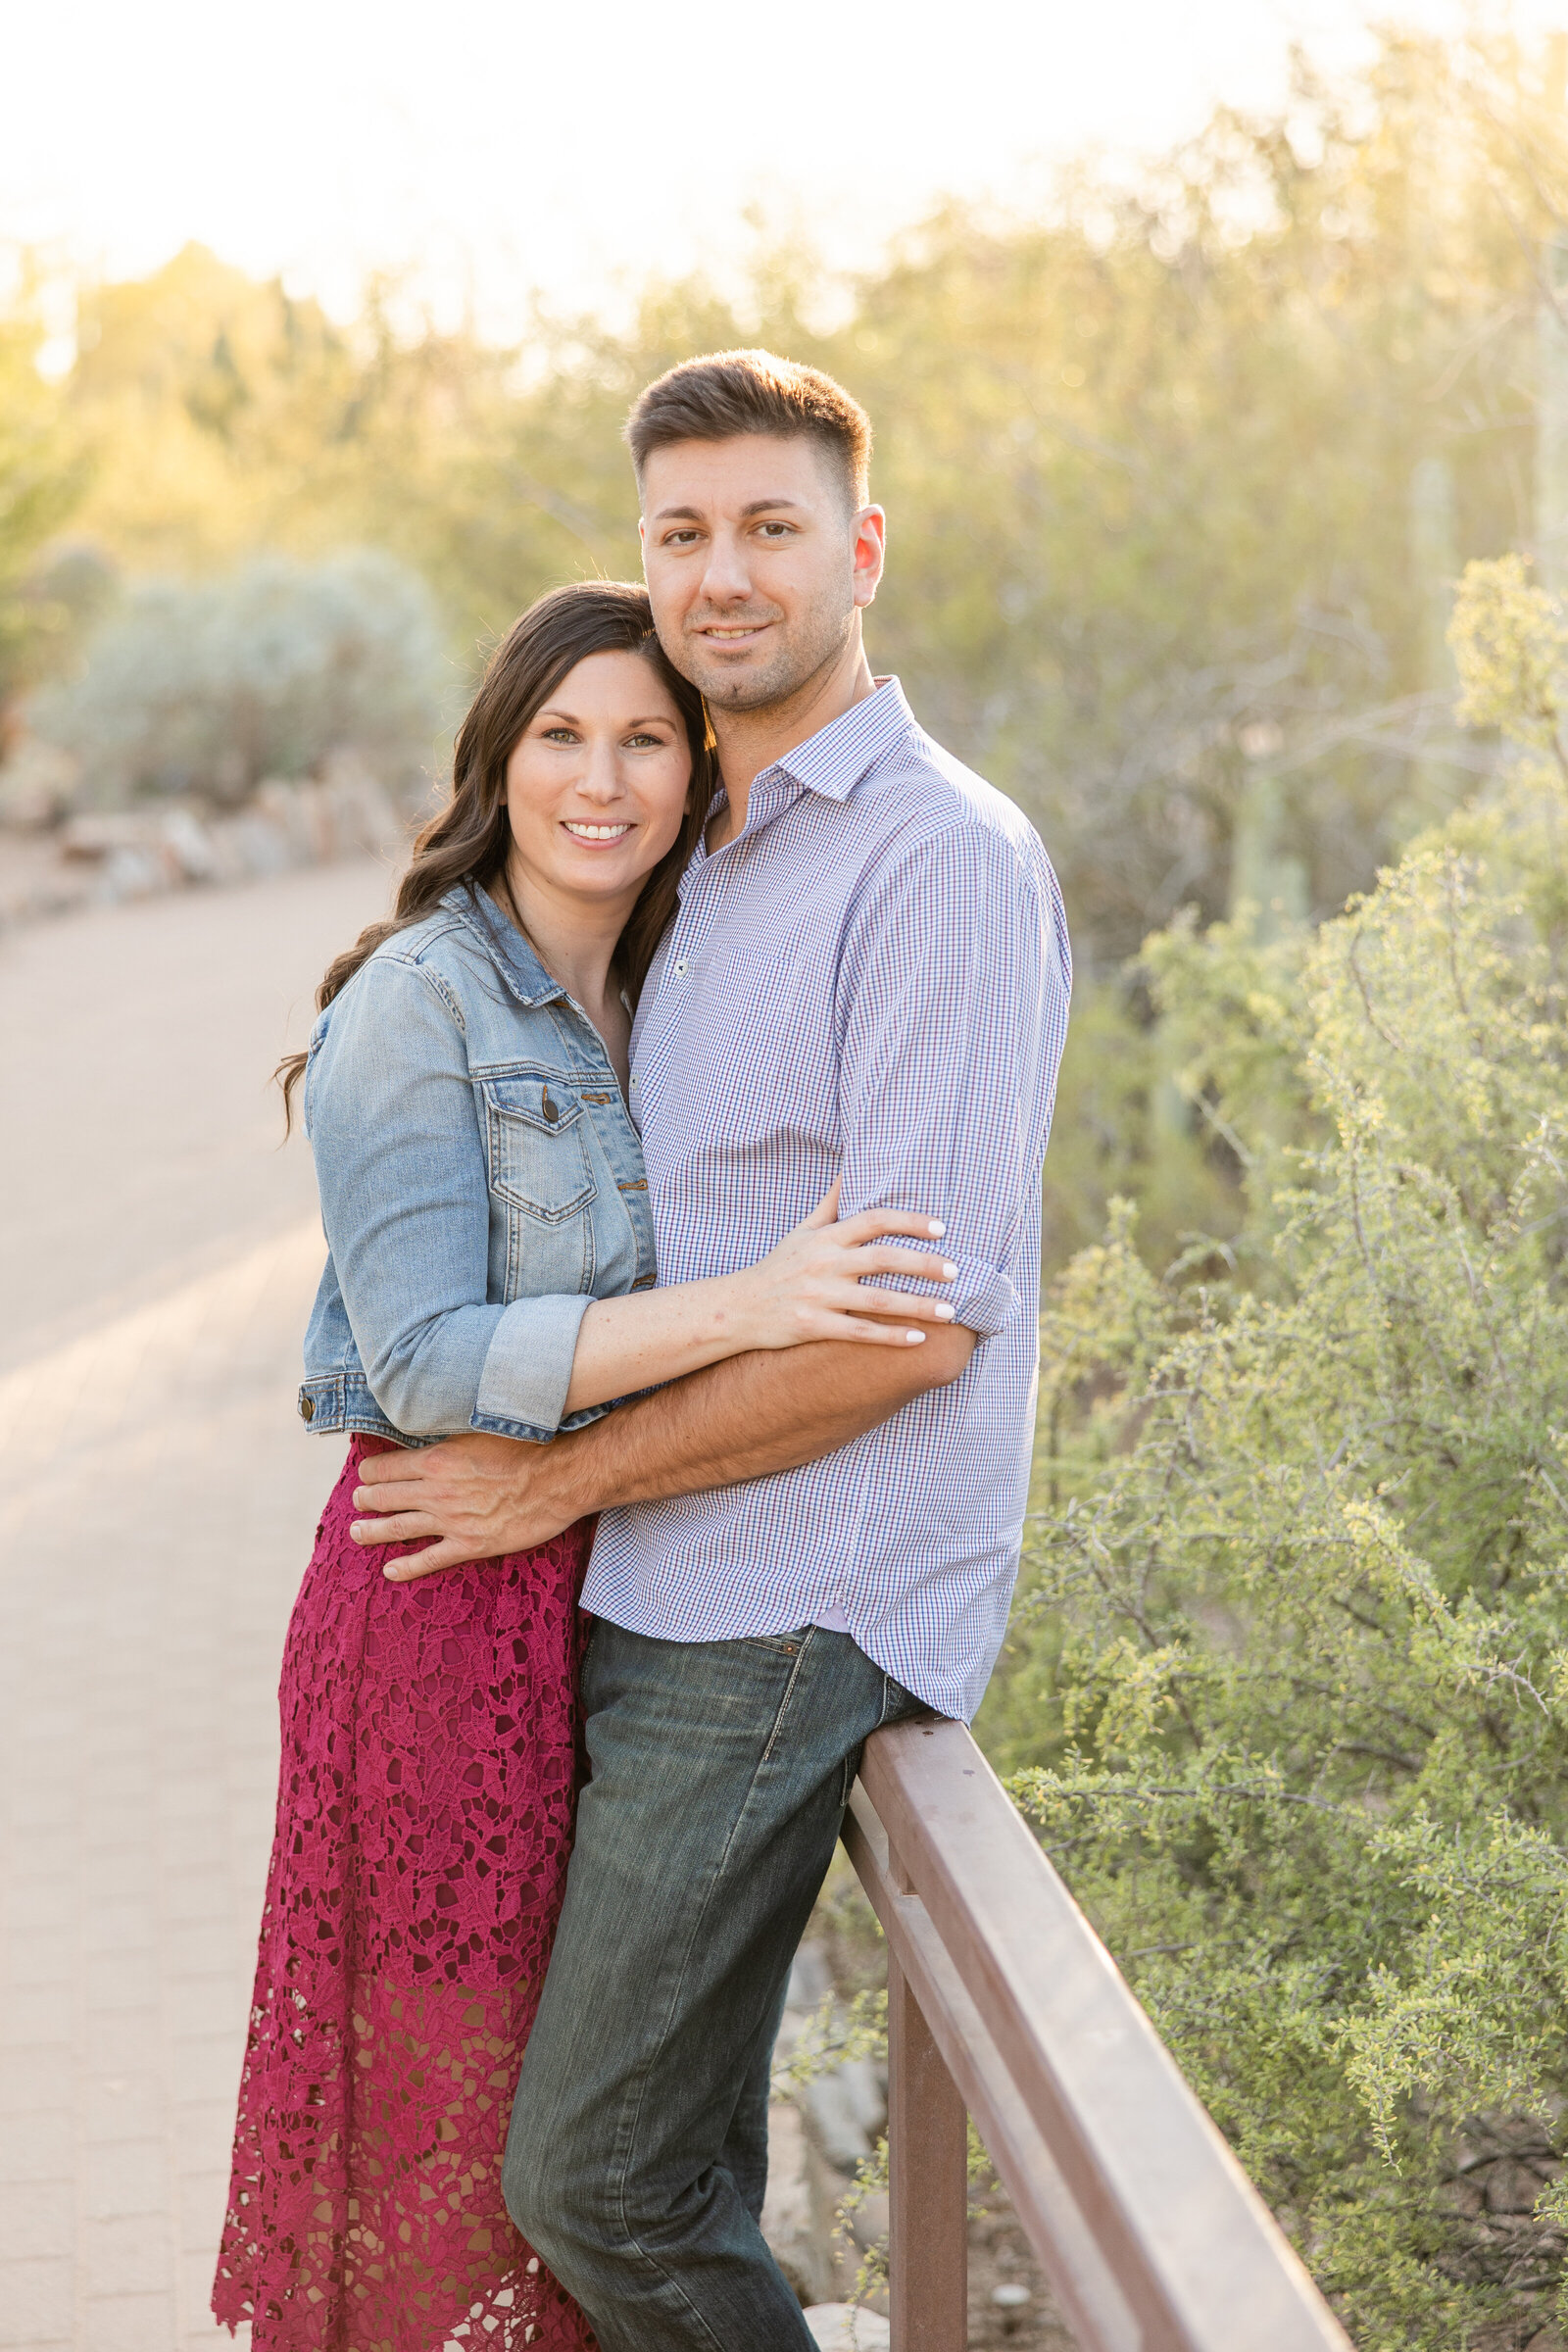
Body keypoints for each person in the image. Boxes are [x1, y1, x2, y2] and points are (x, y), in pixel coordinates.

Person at [348, 353, 1073, 2352]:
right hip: (653, 1568)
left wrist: (549, 1479)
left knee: (587, 2173)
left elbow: (910, 1333)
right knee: (661, 2159)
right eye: (680, 532)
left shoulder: (932, 858)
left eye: (768, 527)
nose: (721, 572)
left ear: (860, 549)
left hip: (787, 1601)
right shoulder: (713, 849)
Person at [211, 579, 957, 2352]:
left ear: (698, 771)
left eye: (645, 738)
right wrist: (747, 1306)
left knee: (617, 2122)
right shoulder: (420, 1001)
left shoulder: (667, 987)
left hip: (607, 1588)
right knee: (471, 2136)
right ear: (500, 756)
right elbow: (427, 1361)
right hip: (445, 1591)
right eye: (562, 736)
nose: (601, 779)